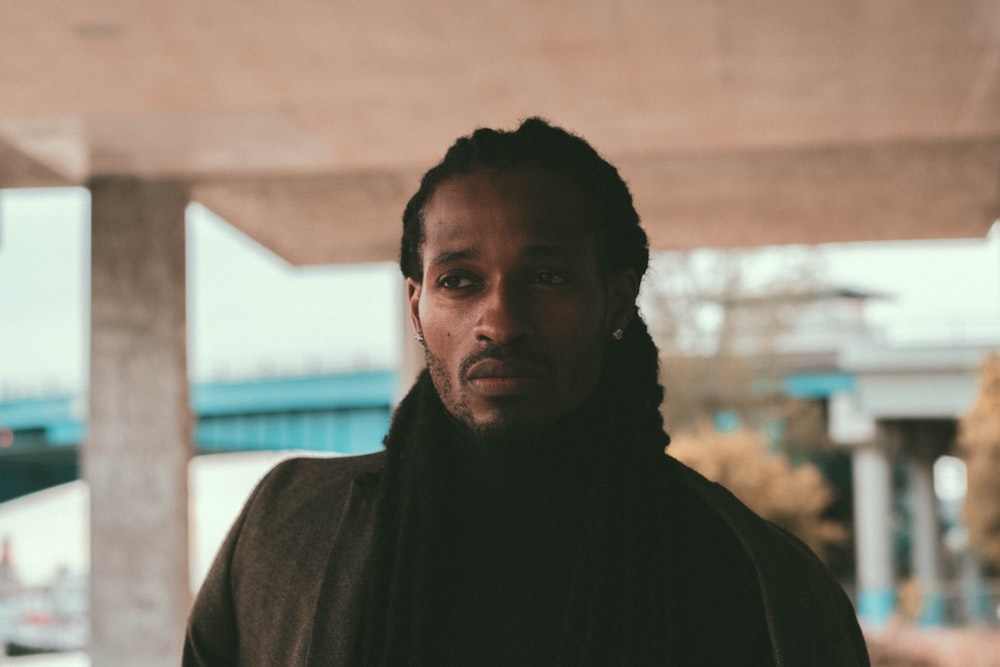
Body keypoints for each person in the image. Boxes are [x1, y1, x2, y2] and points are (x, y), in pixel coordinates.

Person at [183, 118, 870, 666]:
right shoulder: (282, 534)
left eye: (546, 278)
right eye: (459, 280)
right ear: (417, 306)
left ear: (617, 300)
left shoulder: (755, 576)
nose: (500, 321)